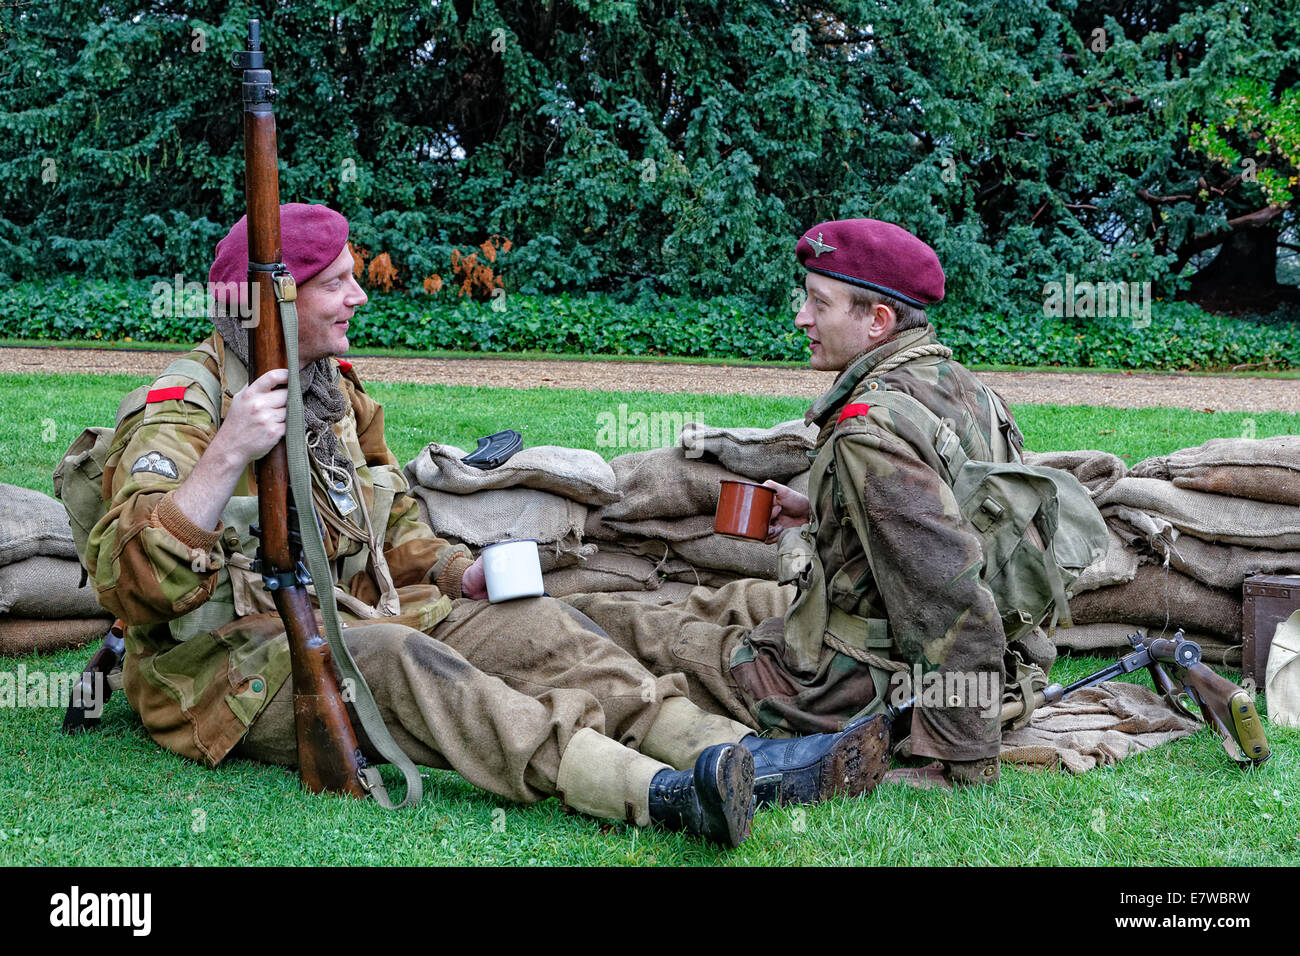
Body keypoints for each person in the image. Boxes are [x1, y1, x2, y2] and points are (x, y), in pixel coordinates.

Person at [84, 203, 884, 847]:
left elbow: (391, 520)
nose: (359, 297)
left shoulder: (332, 392)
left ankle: (736, 754)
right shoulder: (186, 410)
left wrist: (455, 574)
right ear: (275, 301)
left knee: (538, 625)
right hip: (224, 666)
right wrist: (228, 453)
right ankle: (656, 793)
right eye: (335, 284)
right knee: (400, 661)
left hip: (364, 609)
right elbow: (131, 585)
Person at [567, 218, 1047, 787]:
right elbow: (960, 516)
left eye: (819, 303)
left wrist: (964, 756)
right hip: (901, 649)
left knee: (616, 622)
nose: (801, 318)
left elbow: (949, 592)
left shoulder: (870, 430)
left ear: (878, 321)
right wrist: (822, 513)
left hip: (843, 688)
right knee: (726, 599)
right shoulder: (959, 384)